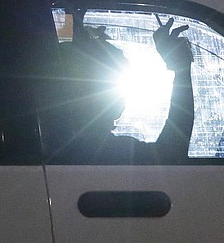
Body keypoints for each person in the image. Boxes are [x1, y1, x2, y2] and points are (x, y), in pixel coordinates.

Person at [46, 13, 194, 164]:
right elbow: (170, 154)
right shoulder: (105, 152)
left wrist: (73, 24)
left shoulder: (50, 145)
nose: (124, 100)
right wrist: (181, 69)